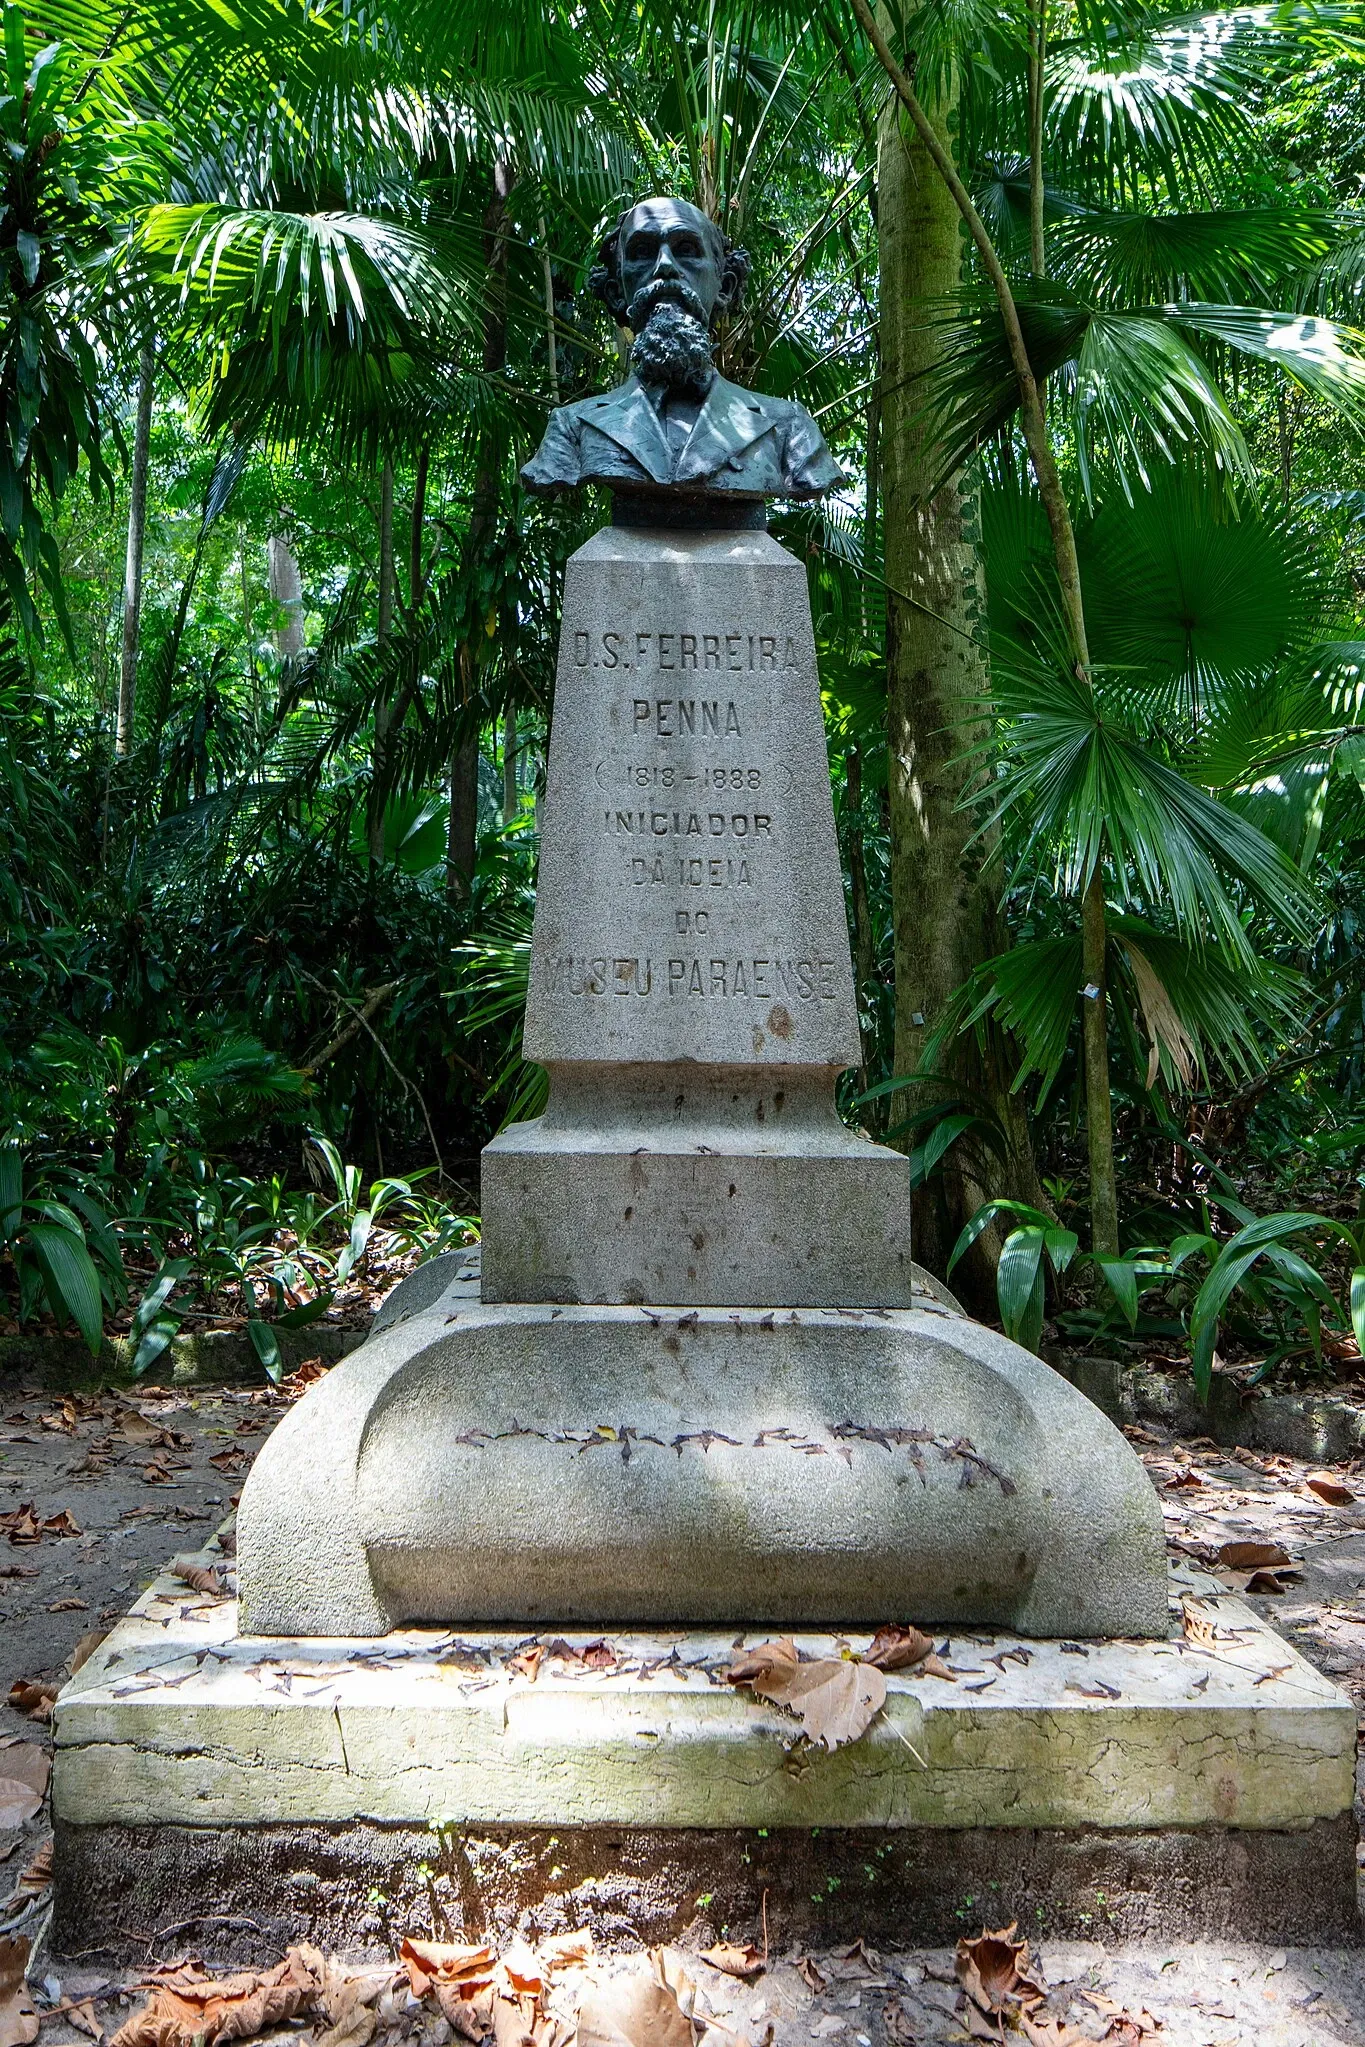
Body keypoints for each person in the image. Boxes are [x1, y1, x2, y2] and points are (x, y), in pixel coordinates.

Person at [520, 196, 842, 514]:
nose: (665, 266)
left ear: (725, 288)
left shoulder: (788, 428)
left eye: (686, 250)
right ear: (617, 293)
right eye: (642, 253)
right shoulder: (572, 428)